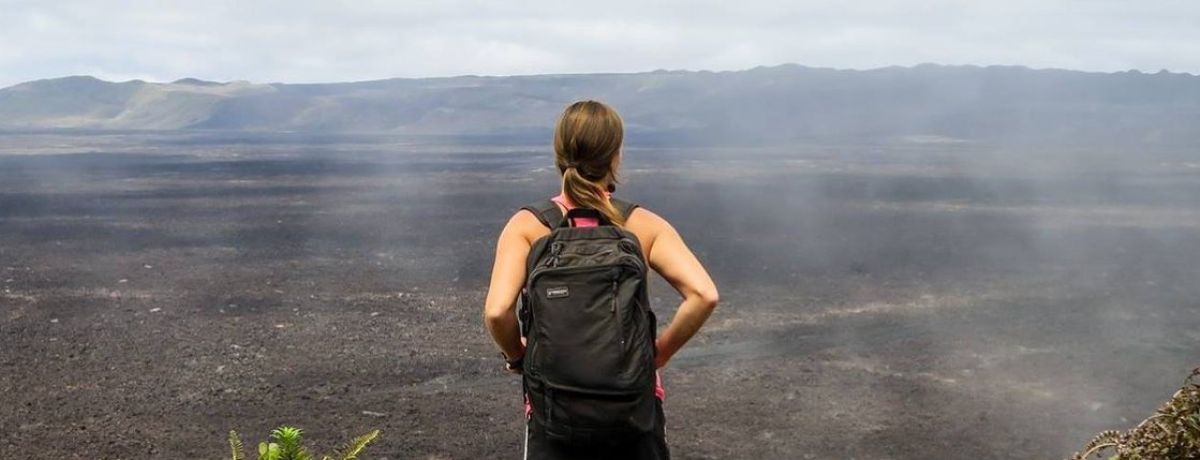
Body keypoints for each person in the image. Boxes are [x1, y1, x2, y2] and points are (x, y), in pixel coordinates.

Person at [483, 100, 719, 459]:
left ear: (559, 154)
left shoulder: (528, 226)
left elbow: (497, 311)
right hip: (632, 412)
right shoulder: (642, 225)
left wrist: (518, 357)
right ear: (616, 156)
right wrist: (658, 355)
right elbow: (704, 294)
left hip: (553, 412)